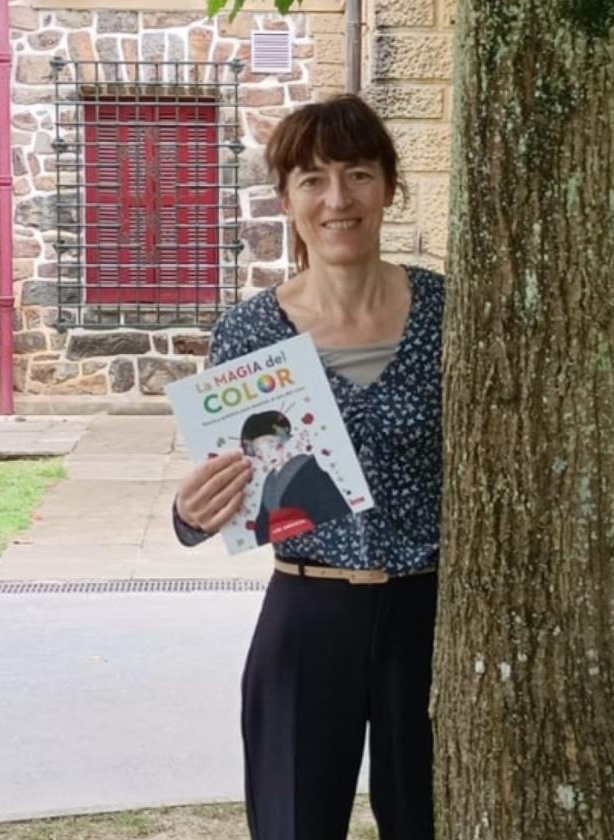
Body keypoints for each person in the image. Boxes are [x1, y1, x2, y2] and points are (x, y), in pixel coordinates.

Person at [171, 94, 444, 840]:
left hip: (433, 617)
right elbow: (224, 493)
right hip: (308, 612)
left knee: (431, 822)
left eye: (358, 174)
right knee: (295, 825)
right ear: (286, 199)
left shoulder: (451, 315)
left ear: (390, 187)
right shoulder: (251, 332)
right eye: (313, 180)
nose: (337, 200)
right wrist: (192, 514)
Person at [239, 410, 350, 544]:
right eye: (259, 450)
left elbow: (334, 510)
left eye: (270, 445)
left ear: (283, 441)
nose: (267, 455)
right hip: (285, 550)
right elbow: (262, 524)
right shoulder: (270, 481)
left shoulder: (309, 469)